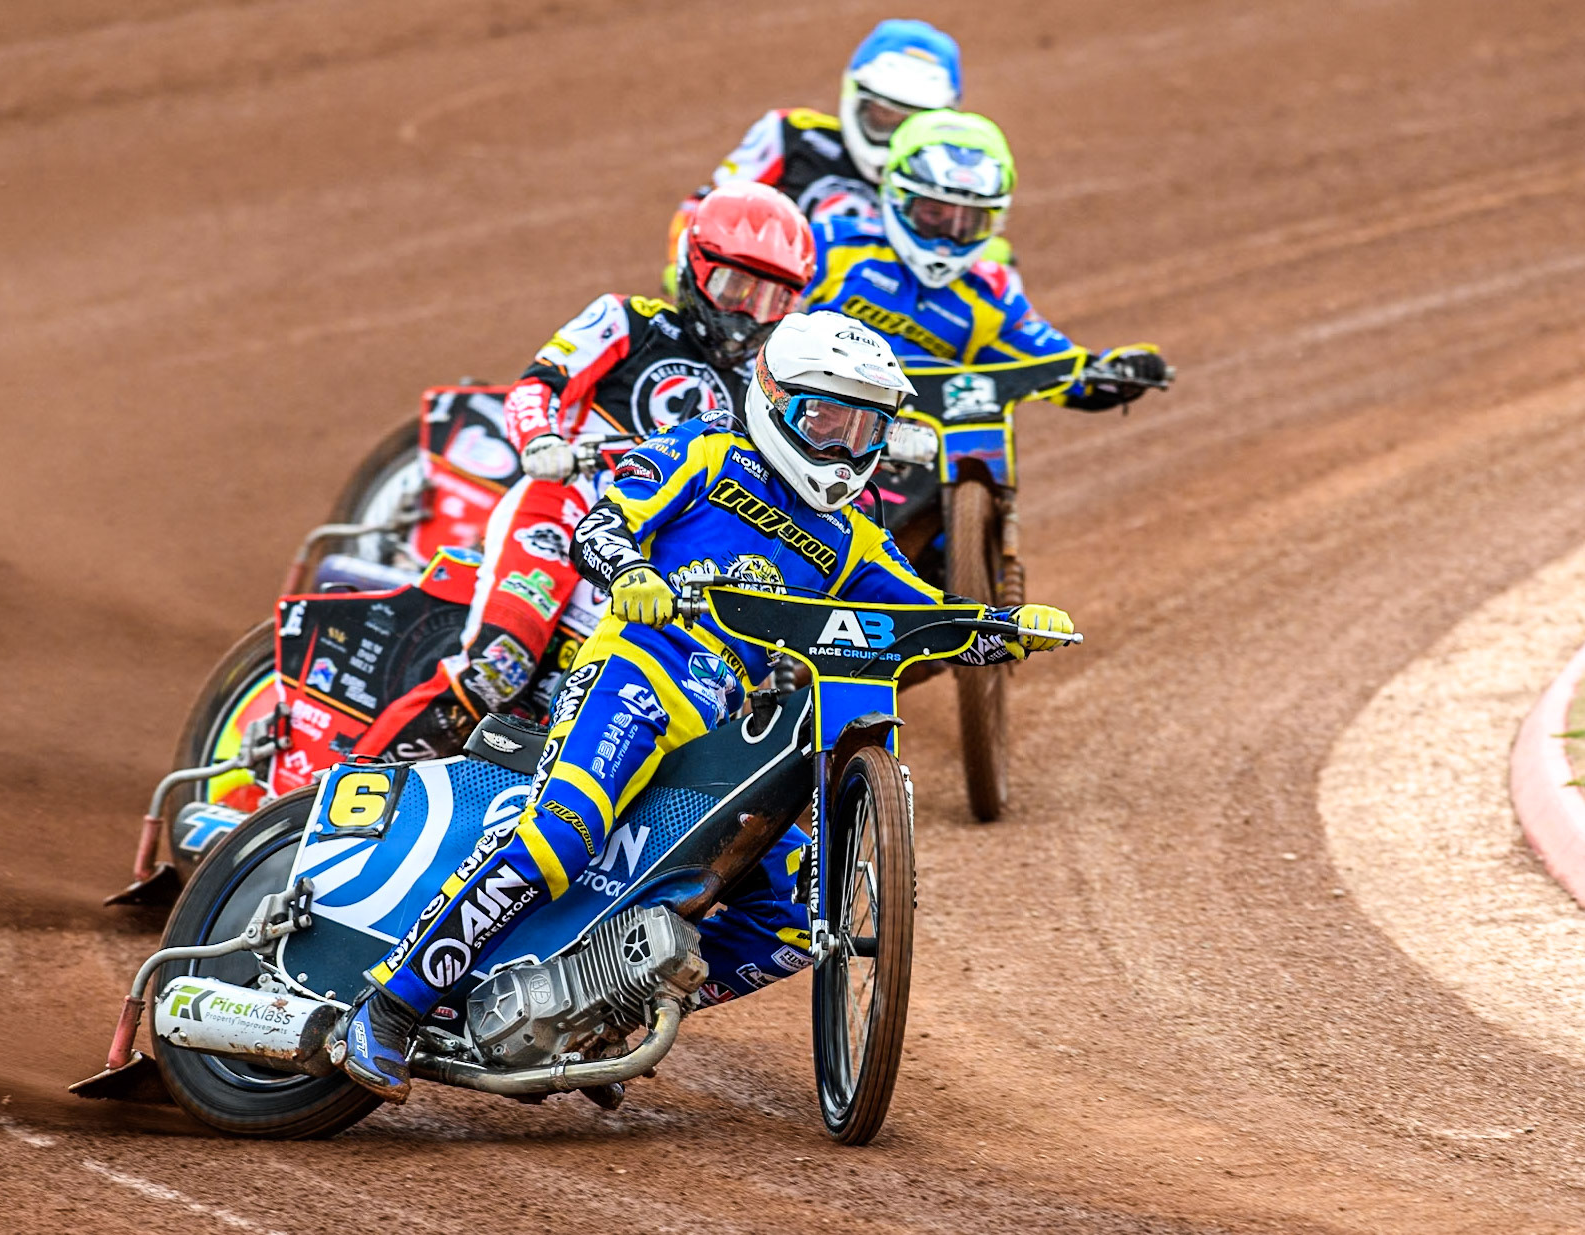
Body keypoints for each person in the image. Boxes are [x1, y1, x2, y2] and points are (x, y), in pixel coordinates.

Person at [335, 311, 1076, 1101]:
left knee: (795, 914)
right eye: (825, 418)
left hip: (721, 736)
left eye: (866, 429)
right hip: (632, 678)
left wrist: (1004, 628)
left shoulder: (855, 538)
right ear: (773, 399)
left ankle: (601, 1008)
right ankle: (389, 1008)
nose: (842, 447)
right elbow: (603, 520)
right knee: (560, 834)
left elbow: (928, 615)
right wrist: (630, 572)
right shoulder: (704, 452)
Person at [354, 181, 817, 762]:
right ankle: (342, 785)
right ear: (693, 266)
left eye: (772, 300)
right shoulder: (628, 320)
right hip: (561, 510)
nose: (747, 314)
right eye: (734, 287)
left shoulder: (762, 391)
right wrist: (542, 440)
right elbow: (538, 384)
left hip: (652, 557)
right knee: (498, 667)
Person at [800, 108, 1169, 419]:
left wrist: (1119, 370)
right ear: (899, 198)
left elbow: (1064, 372)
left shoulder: (990, 297)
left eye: (968, 222)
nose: (948, 237)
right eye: (934, 215)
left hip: (911, 453)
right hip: (801, 419)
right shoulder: (832, 244)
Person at [662, 20, 1018, 294]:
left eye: (913, 121)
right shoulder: (794, 135)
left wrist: (984, 261)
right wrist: (686, 263)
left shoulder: (954, 182)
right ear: (855, 96)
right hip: (771, 299)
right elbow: (708, 204)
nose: (896, 135)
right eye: (884, 116)